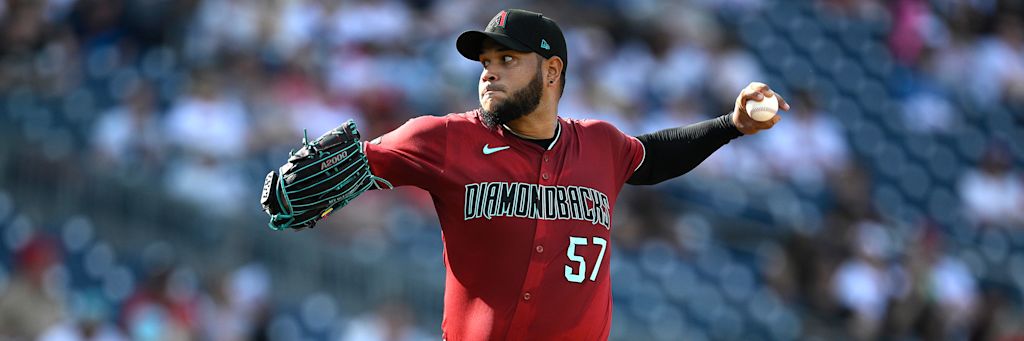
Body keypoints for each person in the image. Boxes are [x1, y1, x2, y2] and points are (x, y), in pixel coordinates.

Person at [285, 9, 788, 340]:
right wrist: (303, 186)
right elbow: (356, 164)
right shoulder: (443, 138)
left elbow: (653, 157)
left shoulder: (601, 145)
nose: (489, 71)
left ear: (551, 71)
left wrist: (731, 125)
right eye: (485, 61)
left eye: (507, 58)